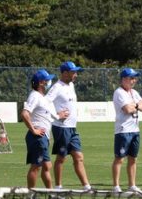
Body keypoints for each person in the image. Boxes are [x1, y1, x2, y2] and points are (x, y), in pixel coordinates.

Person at [46, 61, 91, 191]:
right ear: (65, 73)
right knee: (61, 158)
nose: (76, 74)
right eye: (73, 72)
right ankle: (58, 187)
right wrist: (56, 114)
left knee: (79, 157)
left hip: (72, 128)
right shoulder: (56, 87)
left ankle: (86, 186)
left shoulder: (71, 85)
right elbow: (45, 102)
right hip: (61, 128)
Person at [22, 69, 69, 188]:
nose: (50, 82)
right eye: (48, 80)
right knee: (36, 166)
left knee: (47, 166)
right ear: (41, 82)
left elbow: (47, 116)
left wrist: (59, 116)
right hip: (37, 137)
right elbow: (25, 114)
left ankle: (51, 193)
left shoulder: (42, 97)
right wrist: (34, 130)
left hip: (43, 137)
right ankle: (31, 194)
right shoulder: (35, 96)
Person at [111, 68, 142, 193]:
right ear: (123, 79)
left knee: (133, 158)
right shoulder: (119, 92)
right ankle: (116, 186)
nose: (134, 80)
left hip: (135, 129)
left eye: (134, 78)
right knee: (120, 158)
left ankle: (132, 185)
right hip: (123, 130)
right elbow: (127, 109)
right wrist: (137, 105)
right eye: (131, 78)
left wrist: (136, 105)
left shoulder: (134, 92)